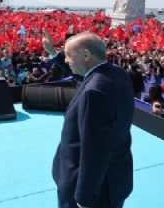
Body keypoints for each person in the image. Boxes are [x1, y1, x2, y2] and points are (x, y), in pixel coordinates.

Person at [45, 32, 134, 208]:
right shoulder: (117, 74)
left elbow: (94, 150)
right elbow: (85, 77)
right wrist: (54, 55)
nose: (67, 60)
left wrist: (84, 198)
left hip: (91, 189)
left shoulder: (93, 94)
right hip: (115, 177)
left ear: (86, 55)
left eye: (69, 55)